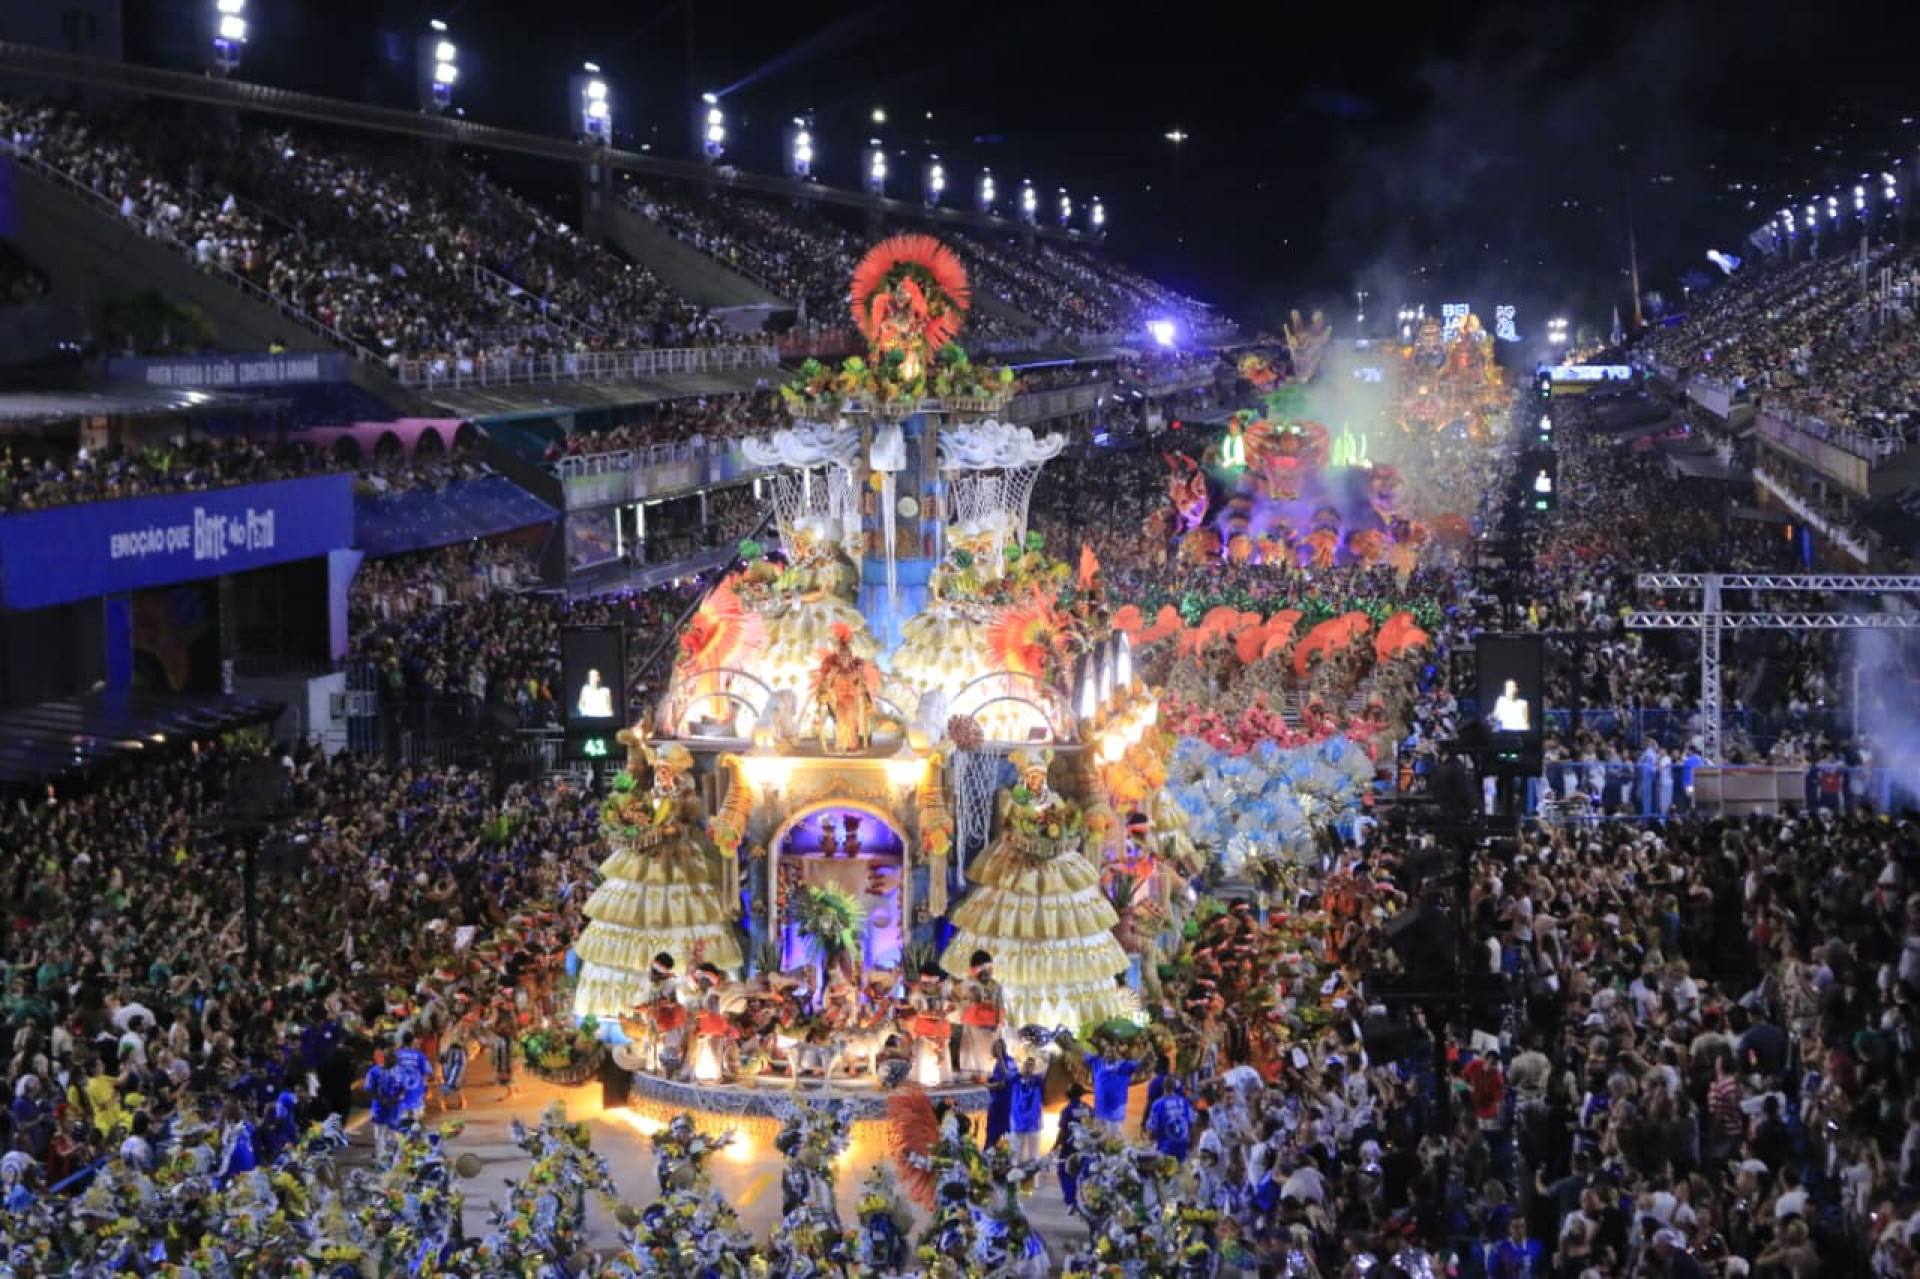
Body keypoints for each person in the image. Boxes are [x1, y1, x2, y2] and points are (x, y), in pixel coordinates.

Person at [1055, 1083, 1093, 1216]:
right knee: (1085, 1173)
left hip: (1070, 1147)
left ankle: (1071, 1201)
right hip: (1087, 1147)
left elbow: (1063, 1131)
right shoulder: (1089, 1108)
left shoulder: (1067, 1110)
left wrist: (1056, 1145)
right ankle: (1088, 1201)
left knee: (1064, 1171)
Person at [1086, 1042, 1139, 1137]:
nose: (1110, 1054)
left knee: (1114, 1141)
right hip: (1100, 1111)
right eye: (1107, 1052)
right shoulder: (1097, 1063)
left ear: (1117, 1054)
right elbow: (1081, 1053)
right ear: (1104, 1053)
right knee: (1097, 1140)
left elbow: (1140, 1062)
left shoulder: (1124, 1066)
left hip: (1116, 1113)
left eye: (1113, 1052)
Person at [1146, 1074, 1196, 1162]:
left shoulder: (1158, 1104)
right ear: (1175, 1087)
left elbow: (1151, 1133)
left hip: (1165, 1151)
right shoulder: (1184, 1102)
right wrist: (1191, 1143)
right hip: (1182, 1150)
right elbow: (1192, 1124)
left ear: (1163, 1086)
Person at [1009, 1055, 1045, 1166]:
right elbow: (1007, 1074)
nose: (1028, 1067)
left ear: (1034, 1068)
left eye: (1031, 1065)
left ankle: (1034, 1177)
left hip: (1033, 1121)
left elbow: (1048, 1074)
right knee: (1016, 1154)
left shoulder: (1038, 1080)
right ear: (1023, 1065)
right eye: (1026, 1064)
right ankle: (1016, 1177)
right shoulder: (1016, 1079)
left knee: (1034, 1154)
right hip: (1018, 1120)